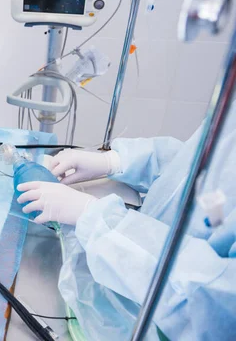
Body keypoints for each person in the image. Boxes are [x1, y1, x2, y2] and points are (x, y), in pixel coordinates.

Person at [16, 109, 236, 339]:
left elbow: (216, 297)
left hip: (156, 323)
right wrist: (117, 161)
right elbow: (203, 166)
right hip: (127, 277)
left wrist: (100, 221)